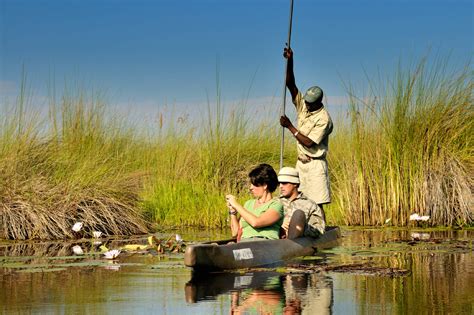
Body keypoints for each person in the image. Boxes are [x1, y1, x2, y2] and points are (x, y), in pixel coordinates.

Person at [279, 47, 334, 212]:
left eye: (311, 103)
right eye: (306, 101)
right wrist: (290, 60)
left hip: (315, 165)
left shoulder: (324, 119)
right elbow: (291, 84)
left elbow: (309, 142)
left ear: (319, 102)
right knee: (298, 202)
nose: (307, 105)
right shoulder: (304, 106)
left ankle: (320, 232)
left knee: (316, 205)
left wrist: (290, 126)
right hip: (300, 164)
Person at [226, 163, 284, 241]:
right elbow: (235, 233)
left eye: (254, 185)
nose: (250, 188)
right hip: (245, 243)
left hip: (265, 244)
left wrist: (236, 205)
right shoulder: (248, 204)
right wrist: (233, 212)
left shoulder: (276, 205)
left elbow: (256, 223)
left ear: (265, 185)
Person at [278, 166, 326, 239]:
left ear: (295, 184)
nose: (281, 186)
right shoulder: (275, 202)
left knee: (298, 215)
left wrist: (299, 227)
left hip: (298, 242)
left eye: (284, 183)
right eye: (279, 183)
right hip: (276, 241)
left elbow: (319, 230)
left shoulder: (310, 205)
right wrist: (279, 225)